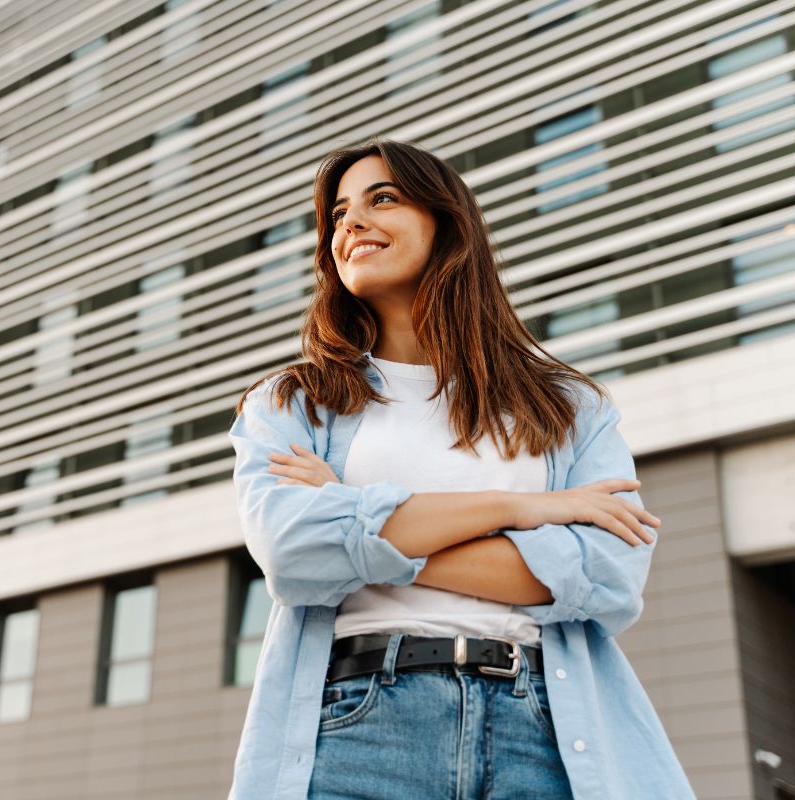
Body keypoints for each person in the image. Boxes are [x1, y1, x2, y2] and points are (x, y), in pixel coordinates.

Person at [225, 138, 696, 799]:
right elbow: (294, 552)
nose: (350, 223)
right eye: (337, 214)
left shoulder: (569, 407)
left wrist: (361, 523)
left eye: (381, 199)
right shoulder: (293, 402)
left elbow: (608, 576)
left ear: (447, 225)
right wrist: (528, 510)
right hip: (362, 726)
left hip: (542, 729)